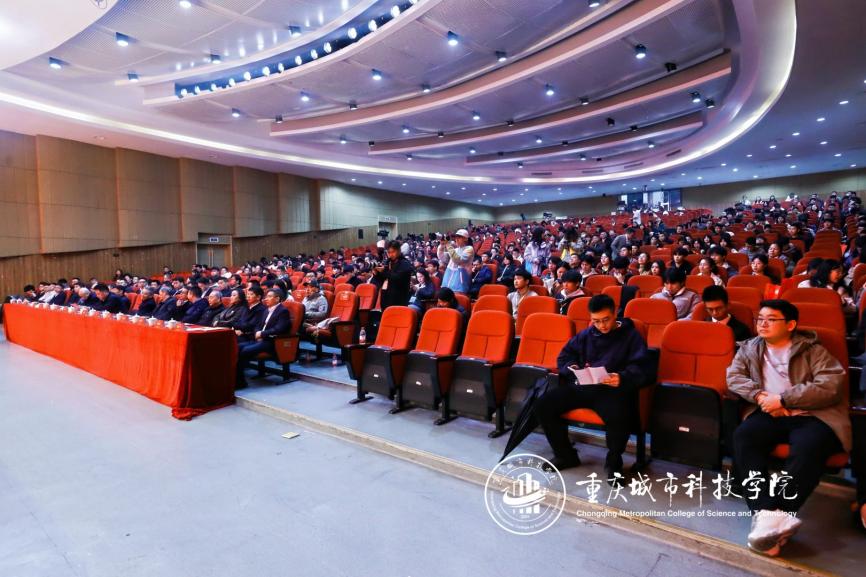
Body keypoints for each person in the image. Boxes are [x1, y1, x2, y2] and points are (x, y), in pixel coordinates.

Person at [728, 300, 850, 557]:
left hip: (811, 414)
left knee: (809, 446)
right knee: (744, 436)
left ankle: (778, 515)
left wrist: (784, 400)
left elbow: (831, 384)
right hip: (768, 412)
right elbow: (734, 377)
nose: (763, 323)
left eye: (771, 319)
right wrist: (761, 396)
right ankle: (767, 512)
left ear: (791, 324)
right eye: (760, 318)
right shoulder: (750, 348)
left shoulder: (812, 349)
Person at [533, 294, 649, 481]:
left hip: (612, 391)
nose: (601, 326)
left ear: (615, 314)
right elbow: (565, 356)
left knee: (620, 415)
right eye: (596, 321)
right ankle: (565, 455)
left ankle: (613, 463)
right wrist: (573, 368)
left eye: (606, 320)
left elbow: (642, 366)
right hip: (585, 385)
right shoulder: (587, 334)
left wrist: (622, 377)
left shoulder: (631, 336)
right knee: (543, 405)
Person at [235, 289, 293, 389]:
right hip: (260, 339)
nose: (266, 299)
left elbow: (279, 328)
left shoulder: (283, 311)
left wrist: (262, 334)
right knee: (237, 347)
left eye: (269, 296)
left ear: (277, 299)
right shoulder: (266, 310)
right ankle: (237, 379)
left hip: (272, 341)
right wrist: (257, 333)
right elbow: (258, 325)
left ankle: (240, 382)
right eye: (266, 296)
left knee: (245, 351)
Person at [375, 240, 414, 309]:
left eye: (393, 252)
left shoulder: (405, 263)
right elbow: (382, 279)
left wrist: (384, 272)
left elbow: (396, 277)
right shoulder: (388, 262)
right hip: (386, 295)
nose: (390, 255)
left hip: (399, 297)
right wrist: (377, 273)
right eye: (389, 252)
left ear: (399, 251)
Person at [437, 229, 474, 294]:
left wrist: (448, 245)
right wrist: (442, 246)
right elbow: (442, 257)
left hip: (461, 279)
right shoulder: (456, 250)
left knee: (458, 297)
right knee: (445, 296)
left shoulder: (469, 249)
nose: (456, 239)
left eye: (459, 237)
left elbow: (458, 260)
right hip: (449, 277)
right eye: (456, 237)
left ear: (465, 239)